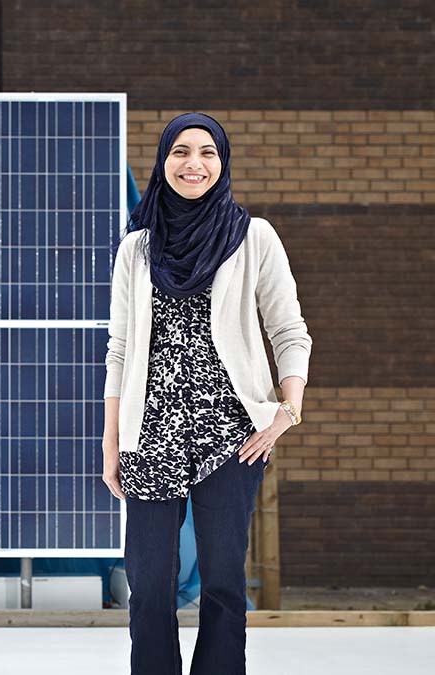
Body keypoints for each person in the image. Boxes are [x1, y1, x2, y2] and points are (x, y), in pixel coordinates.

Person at [102, 112, 312, 675]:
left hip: (232, 434)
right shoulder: (137, 249)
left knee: (222, 580)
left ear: (222, 162)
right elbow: (119, 350)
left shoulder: (254, 237)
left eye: (207, 153)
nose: (193, 164)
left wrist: (285, 412)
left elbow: (289, 331)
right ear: (162, 161)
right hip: (150, 436)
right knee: (149, 584)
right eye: (180, 151)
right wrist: (111, 442)